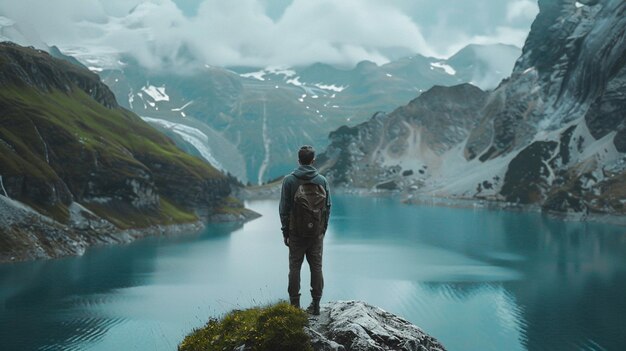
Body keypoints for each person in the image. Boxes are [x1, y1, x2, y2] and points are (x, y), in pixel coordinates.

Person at [279, 145, 331, 315]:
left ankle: (295, 306)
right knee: (316, 267)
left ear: (298, 160)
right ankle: (315, 305)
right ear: (313, 160)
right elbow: (327, 207)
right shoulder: (322, 180)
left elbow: (284, 209)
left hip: (296, 233)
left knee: (295, 267)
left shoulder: (289, 180)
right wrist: (322, 230)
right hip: (316, 233)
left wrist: (285, 232)